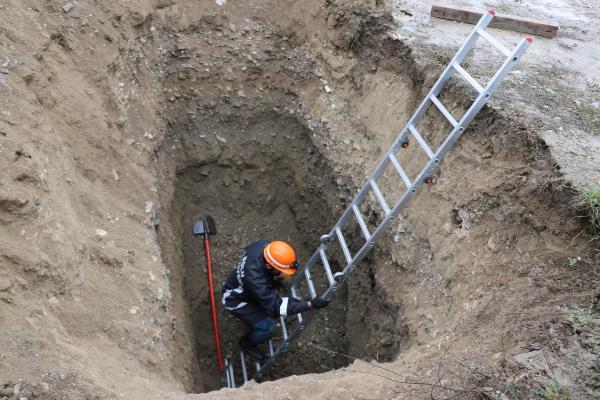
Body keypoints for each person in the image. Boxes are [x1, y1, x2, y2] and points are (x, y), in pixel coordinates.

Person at [222, 240, 330, 360]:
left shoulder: (262, 247)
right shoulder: (256, 282)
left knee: (271, 293)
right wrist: (309, 304)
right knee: (268, 326)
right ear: (268, 266)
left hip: (246, 287)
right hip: (234, 300)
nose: (285, 274)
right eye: (281, 270)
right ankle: (247, 342)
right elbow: (277, 307)